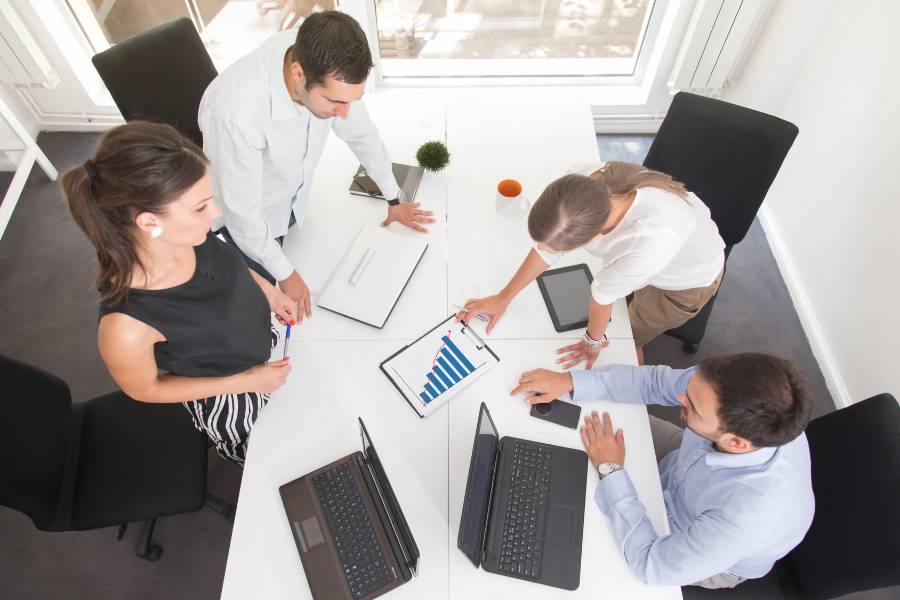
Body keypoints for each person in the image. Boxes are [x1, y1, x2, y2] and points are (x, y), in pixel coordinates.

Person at [61, 122, 296, 466]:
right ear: (148, 222)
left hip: (266, 345)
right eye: (200, 207)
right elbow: (146, 389)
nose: (215, 213)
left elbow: (225, 266)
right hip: (233, 392)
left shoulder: (189, 236)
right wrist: (245, 381)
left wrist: (268, 293)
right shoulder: (125, 326)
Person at [199, 10, 435, 322]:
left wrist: (394, 198)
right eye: (335, 102)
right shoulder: (237, 115)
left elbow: (362, 135)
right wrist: (285, 272)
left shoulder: (324, 61)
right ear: (299, 74)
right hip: (250, 222)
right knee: (253, 318)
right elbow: (241, 213)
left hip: (291, 201)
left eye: (353, 99)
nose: (346, 113)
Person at [510, 353, 815, 589]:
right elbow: (655, 383)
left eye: (692, 406)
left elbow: (649, 565)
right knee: (578, 428)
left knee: (573, 534)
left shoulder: (744, 520)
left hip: (693, 536)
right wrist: (570, 381)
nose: (680, 397)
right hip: (681, 462)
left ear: (735, 442)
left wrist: (611, 469)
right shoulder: (736, 394)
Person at [459, 162, 725, 366]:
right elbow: (547, 249)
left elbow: (602, 295)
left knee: (624, 339)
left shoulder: (653, 237)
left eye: (560, 249)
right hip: (652, 256)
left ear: (595, 237)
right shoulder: (582, 182)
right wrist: (504, 297)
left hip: (681, 282)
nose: (547, 251)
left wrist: (591, 343)